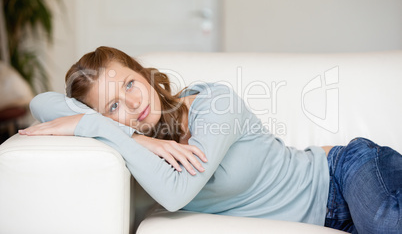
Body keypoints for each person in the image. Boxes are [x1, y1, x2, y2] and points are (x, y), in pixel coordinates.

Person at [19, 46, 402, 233]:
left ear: (144, 74)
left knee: (386, 221)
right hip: (337, 220)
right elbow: (41, 102)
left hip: (342, 173)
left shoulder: (215, 104)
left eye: (131, 84)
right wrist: (135, 137)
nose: (133, 103)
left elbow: (175, 191)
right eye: (113, 106)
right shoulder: (137, 143)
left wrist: (109, 127)